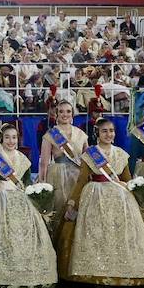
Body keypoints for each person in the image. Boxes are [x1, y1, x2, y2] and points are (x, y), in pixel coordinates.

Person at [59, 118, 144, 288]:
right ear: (97, 133)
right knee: (98, 237)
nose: (108, 134)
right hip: (96, 197)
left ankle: (120, 275)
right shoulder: (90, 154)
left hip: (120, 199)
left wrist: (140, 197)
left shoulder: (121, 154)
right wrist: (73, 202)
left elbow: (127, 179)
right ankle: (100, 278)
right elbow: (81, 181)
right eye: (104, 131)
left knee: (118, 237)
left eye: (111, 130)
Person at [0, 123, 57, 288]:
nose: (11, 140)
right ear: (1, 139)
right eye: (7, 137)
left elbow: (28, 185)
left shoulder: (24, 160)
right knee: (3, 237)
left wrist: (38, 199)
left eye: (14, 137)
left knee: (24, 238)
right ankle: (3, 280)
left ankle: (26, 278)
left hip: (21, 201)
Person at [36, 101, 86, 240]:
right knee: (59, 211)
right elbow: (44, 162)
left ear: (72, 114)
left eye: (68, 111)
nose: (65, 114)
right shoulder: (50, 134)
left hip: (77, 176)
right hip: (58, 176)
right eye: (61, 111)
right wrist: (42, 183)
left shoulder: (81, 134)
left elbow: (87, 159)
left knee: (77, 209)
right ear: (56, 114)